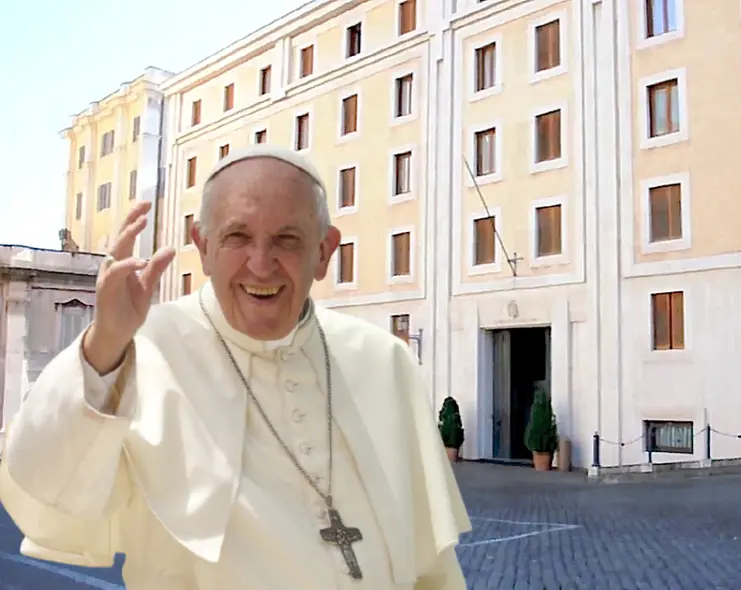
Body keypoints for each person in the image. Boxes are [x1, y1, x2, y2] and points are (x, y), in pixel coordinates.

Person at [0, 144, 472, 589]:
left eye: (287, 239)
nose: (261, 265)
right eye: (237, 237)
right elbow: (42, 489)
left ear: (324, 251)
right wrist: (104, 344)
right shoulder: (138, 351)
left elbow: (432, 563)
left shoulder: (382, 359)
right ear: (202, 246)